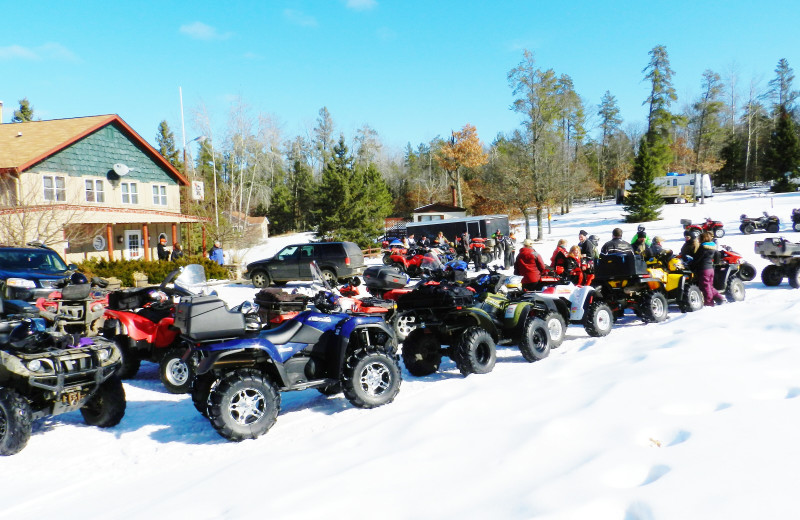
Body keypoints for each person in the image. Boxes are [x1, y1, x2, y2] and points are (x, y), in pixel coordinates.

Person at [689, 231, 724, 306]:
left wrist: (691, 265)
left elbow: (697, 258)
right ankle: (719, 297)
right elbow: (718, 254)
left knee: (705, 287)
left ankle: (709, 303)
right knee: (709, 285)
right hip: (710, 269)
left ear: (703, 238)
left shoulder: (703, 247)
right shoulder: (713, 246)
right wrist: (715, 263)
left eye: (699, 239)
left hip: (703, 269)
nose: (698, 240)